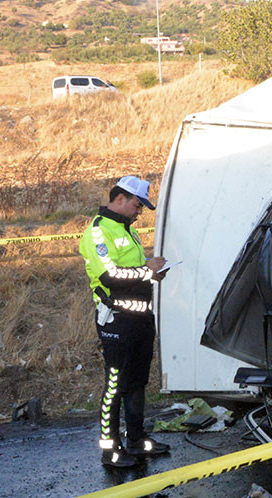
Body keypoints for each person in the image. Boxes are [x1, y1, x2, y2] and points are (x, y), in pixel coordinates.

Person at [79, 175, 171, 468]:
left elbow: (130, 272)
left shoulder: (126, 229)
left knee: (137, 381)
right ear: (120, 198)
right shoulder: (98, 231)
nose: (140, 211)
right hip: (116, 320)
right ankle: (111, 450)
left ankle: (136, 440)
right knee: (115, 385)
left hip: (141, 318)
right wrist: (146, 270)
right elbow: (109, 276)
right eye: (137, 205)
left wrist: (151, 274)